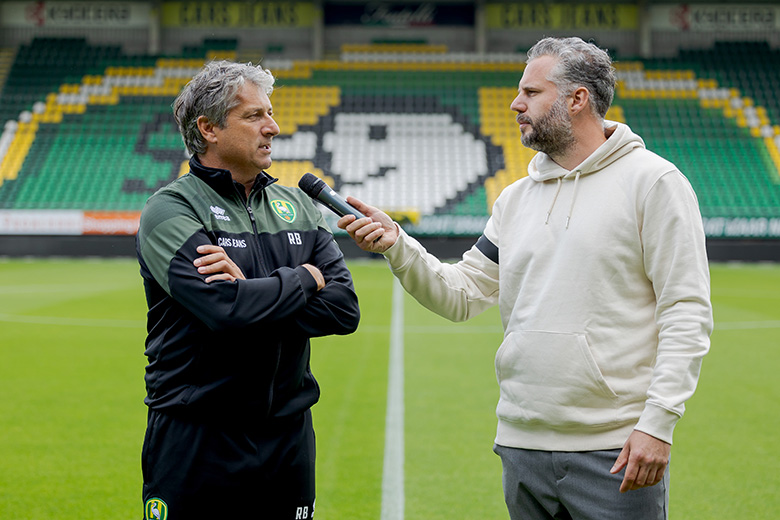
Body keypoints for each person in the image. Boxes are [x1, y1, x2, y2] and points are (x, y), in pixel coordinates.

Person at [338, 37, 712, 520]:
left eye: (530, 92)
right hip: (521, 446)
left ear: (577, 99)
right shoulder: (514, 199)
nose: (516, 104)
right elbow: (463, 293)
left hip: (615, 451)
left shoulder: (654, 183)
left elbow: (686, 310)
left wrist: (659, 423)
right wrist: (397, 244)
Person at [136, 60, 360, 519]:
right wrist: (304, 278)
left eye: (270, 113)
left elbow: (343, 309)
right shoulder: (171, 210)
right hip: (197, 437)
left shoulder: (298, 205)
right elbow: (225, 312)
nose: (273, 128)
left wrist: (251, 292)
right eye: (255, 116)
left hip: (288, 438)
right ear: (209, 128)